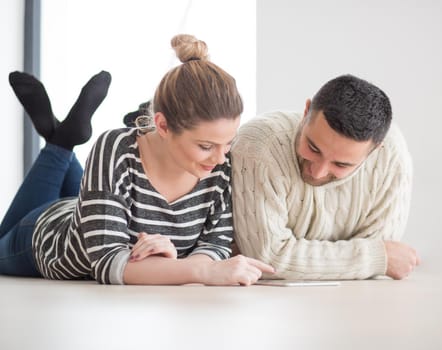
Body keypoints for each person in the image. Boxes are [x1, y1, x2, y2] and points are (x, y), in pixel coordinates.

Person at [0, 34, 274, 285]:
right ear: (163, 126)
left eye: (228, 142)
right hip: (48, 235)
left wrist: (173, 262)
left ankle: (60, 139)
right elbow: (107, 263)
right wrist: (200, 270)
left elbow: (215, 245)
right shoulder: (116, 146)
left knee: (91, 202)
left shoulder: (220, 163)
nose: (219, 157)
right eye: (205, 146)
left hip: (97, 207)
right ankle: (60, 143)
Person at [230, 74, 419, 280]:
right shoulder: (260, 144)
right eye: (313, 148)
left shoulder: (391, 156)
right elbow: (267, 258)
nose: (318, 171)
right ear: (305, 112)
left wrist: (299, 257)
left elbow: (379, 243)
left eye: (341, 164)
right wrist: (373, 258)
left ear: (375, 151)